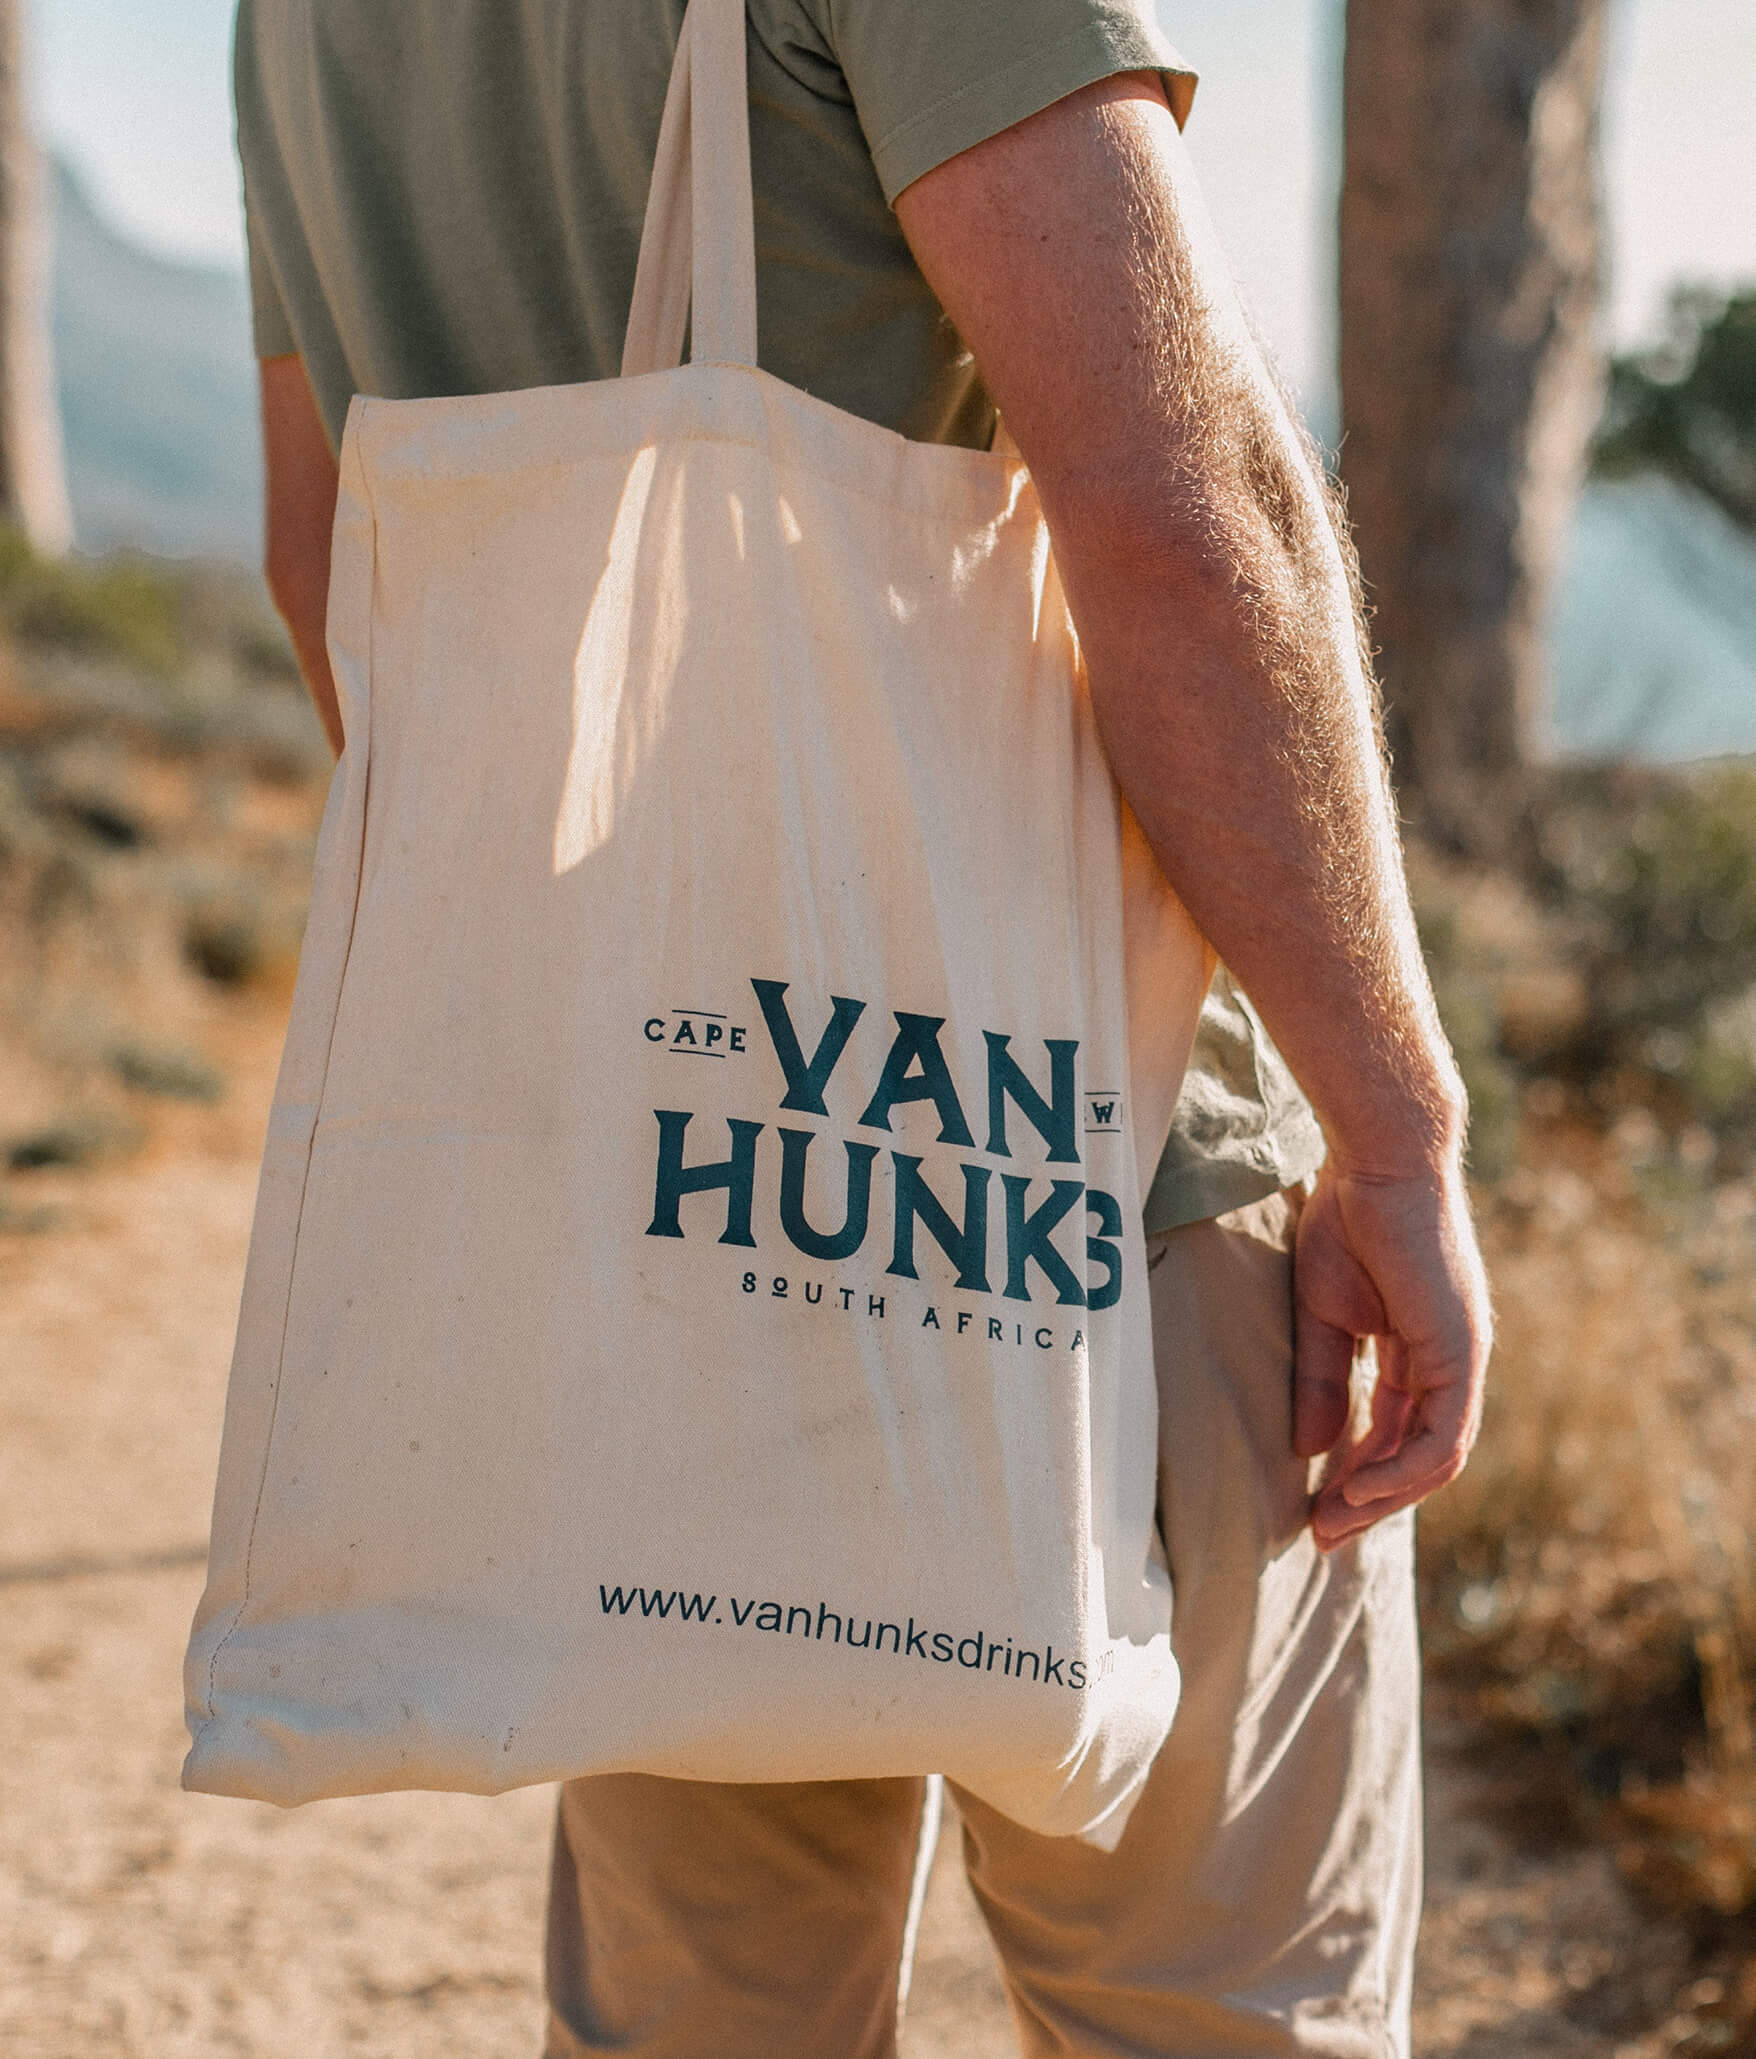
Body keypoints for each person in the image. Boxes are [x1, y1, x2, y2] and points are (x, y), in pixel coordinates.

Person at [233, 3, 1492, 2052]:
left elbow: (337, 569)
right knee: (1215, 2008)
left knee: (711, 2021)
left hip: (657, 1187)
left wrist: (616, 989)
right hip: (1084, 1174)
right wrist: (1392, 1126)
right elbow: (1184, 515)